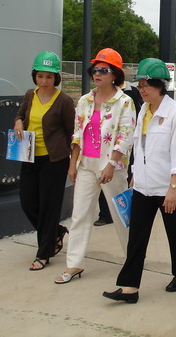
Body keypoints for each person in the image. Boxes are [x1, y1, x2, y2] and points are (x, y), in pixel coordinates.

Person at [103, 58, 176, 304]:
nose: (141, 89)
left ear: (160, 85)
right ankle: (129, 288)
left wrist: (173, 188)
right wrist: (134, 174)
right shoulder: (143, 110)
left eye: (146, 85)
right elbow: (138, 145)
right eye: (139, 85)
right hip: (143, 186)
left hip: (168, 187)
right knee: (137, 237)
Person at [54, 48, 136, 284]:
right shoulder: (85, 100)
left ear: (115, 74)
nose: (97, 74)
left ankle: (133, 260)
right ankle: (74, 264)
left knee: (121, 216)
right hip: (86, 165)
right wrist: (73, 164)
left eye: (104, 70)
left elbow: (126, 136)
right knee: (80, 214)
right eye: (95, 69)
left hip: (112, 167)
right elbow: (77, 134)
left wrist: (111, 164)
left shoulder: (125, 102)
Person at [14, 51, 75, 271]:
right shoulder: (30, 95)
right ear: (35, 76)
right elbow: (21, 114)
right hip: (30, 156)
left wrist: (72, 162)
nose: (44, 81)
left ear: (56, 77)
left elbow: (72, 132)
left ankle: (43, 253)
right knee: (28, 202)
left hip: (54, 160)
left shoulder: (64, 101)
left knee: (49, 206)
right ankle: (56, 232)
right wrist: (18, 122)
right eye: (40, 76)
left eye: (49, 76)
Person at [95, 80, 144, 226]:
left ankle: (126, 213)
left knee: (123, 180)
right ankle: (105, 214)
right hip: (105, 146)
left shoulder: (131, 93)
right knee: (102, 178)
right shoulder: (98, 94)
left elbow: (136, 116)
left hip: (125, 144)